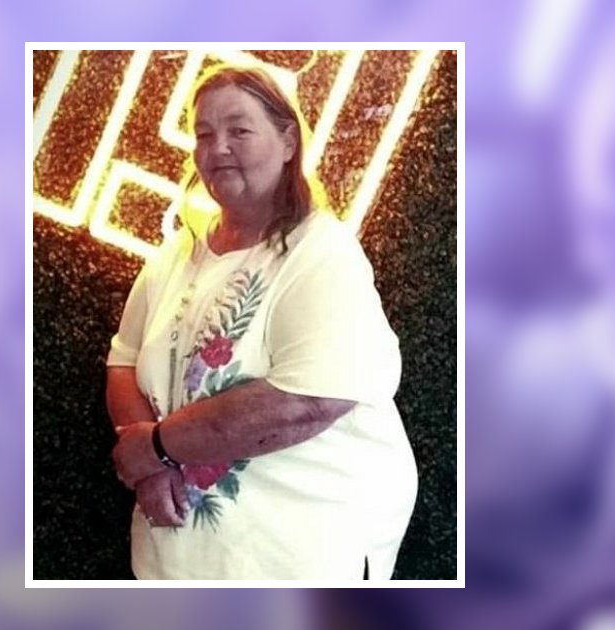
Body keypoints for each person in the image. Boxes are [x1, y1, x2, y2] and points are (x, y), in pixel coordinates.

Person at [105, 63, 418, 580]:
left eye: (239, 130)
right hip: (178, 567)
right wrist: (149, 466)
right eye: (204, 134)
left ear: (288, 140)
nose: (218, 148)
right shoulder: (176, 254)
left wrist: (157, 447)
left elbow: (308, 402)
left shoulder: (322, 252)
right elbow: (124, 362)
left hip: (298, 562)